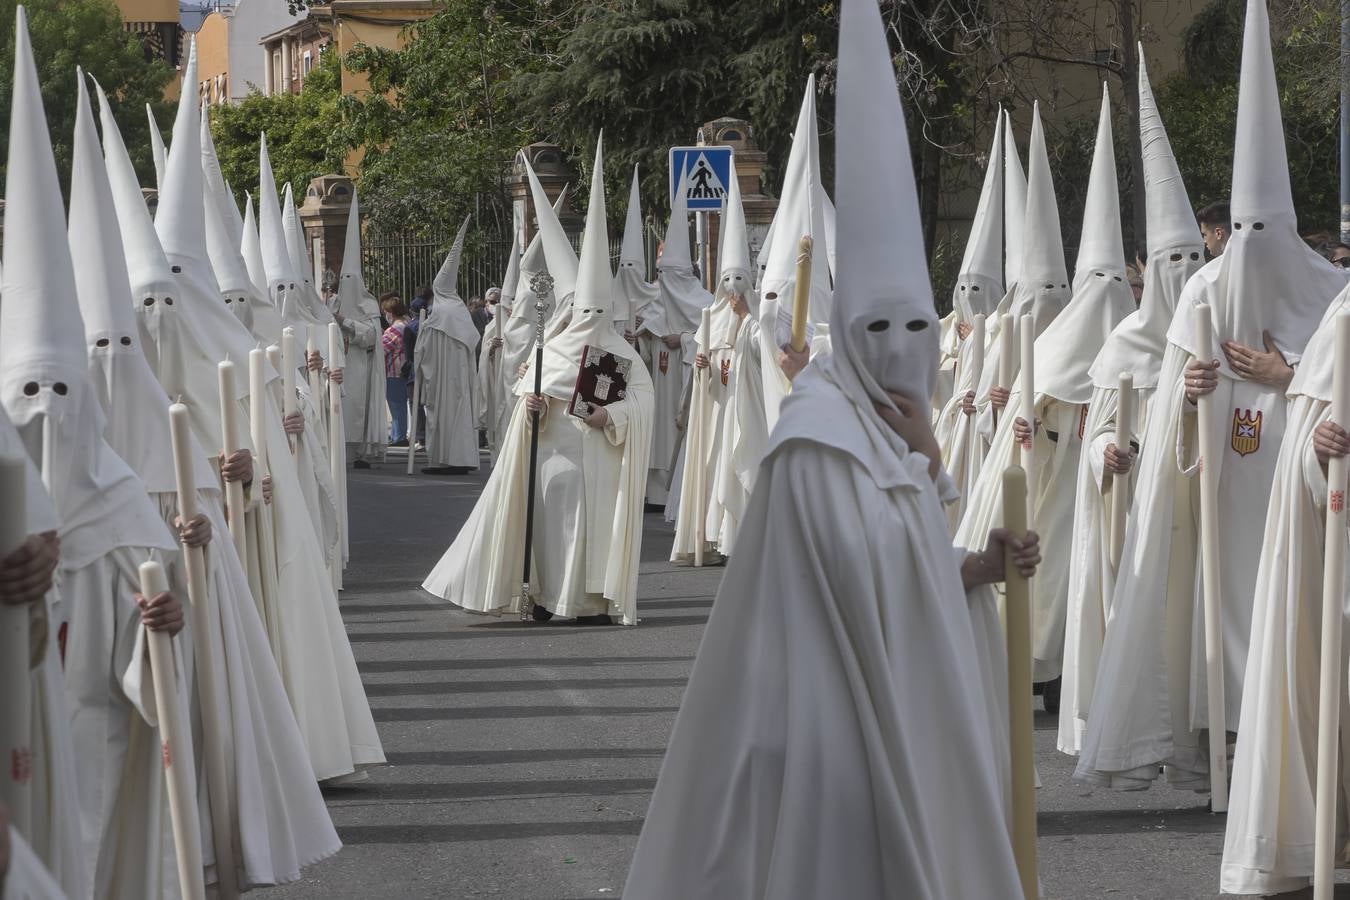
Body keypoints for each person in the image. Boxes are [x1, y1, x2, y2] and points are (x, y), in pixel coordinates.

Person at [623, 2, 1032, 890]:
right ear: (846, 330)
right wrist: (930, 480)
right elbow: (862, 589)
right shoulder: (814, 437)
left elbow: (912, 565)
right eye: (877, 325)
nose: (898, 346)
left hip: (903, 717)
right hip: (829, 732)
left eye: (916, 325)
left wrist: (976, 559)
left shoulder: (899, 432)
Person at [70, 65, 340, 886]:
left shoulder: (228, 372)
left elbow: (281, 489)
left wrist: (245, 481)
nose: (150, 329)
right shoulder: (77, 426)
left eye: (168, 302)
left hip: (202, 603)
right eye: (134, 312)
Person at [1076, 0, 1348, 794]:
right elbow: (1170, 415)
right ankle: (1227, 755)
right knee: (1225, 630)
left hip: (1295, 508)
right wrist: (1186, 396)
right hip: (1224, 502)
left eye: (1268, 231)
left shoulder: (1329, 293)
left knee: (1298, 631)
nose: (1253, 254)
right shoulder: (1201, 289)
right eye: (1244, 233)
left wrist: (1286, 377)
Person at [2, 21, 189, 894]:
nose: (45, 414)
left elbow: (161, 618)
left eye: (60, 393)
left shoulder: (119, 506)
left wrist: (166, 623)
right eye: (25, 396)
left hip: (88, 739)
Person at [422, 138, 654, 627]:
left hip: (602, 462)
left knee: (592, 532)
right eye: (583, 310)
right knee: (552, 533)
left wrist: (608, 414)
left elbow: (643, 403)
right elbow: (526, 392)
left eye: (597, 310)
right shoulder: (554, 348)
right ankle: (545, 596)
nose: (589, 319)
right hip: (553, 461)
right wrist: (532, 406)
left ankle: (591, 602)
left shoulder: (622, 353)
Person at [955, 86, 1134, 702]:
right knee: (1045, 582)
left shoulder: (1133, 339)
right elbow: (996, 423)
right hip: (1045, 486)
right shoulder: (1030, 342)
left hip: (1093, 489)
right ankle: (1034, 671)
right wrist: (1014, 424)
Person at [1057, 51, 1206, 755]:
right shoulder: (1122, 344)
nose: (1184, 277)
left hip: (1205, 513)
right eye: (1171, 262)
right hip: (1142, 517)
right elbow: (1100, 429)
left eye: (1193, 262)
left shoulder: (1220, 334)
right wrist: (1105, 454)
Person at [416, 218, 481, 475]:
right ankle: (462, 458)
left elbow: (425, 349)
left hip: (442, 380)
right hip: (460, 379)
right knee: (460, 415)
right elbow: (473, 340)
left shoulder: (437, 314)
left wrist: (423, 335)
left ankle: (444, 459)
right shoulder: (460, 310)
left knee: (442, 417)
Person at [333, 191, 388, 470]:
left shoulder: (368, 303)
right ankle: (343, 450)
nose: (346, 282)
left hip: (361, 367)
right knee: (343, 409)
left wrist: (345, 322)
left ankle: (360, 451)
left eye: (350, 278)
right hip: (342, 365)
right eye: (343, 278)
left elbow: (371, 336)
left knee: (357, 409)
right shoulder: (335, 301)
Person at [382, 293, 411, 446]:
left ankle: (399, 436)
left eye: (385, 312)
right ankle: (396, 435)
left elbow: (382, 350)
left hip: (393, 371)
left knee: (395, 405)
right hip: (405, 371)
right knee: (400, 405)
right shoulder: (408, 325)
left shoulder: (393, 330)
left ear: (391, 313)